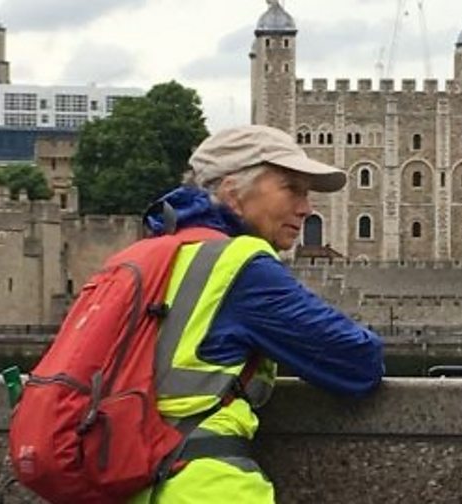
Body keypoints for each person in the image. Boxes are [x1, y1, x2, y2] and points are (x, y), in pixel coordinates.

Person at [131, 124, 385, 503]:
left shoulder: (151, 254)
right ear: (233, 193)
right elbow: (357, 361)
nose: (306, 208)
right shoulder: (240, 266)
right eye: (291, 189)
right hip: (204, 488)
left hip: (133, 484)